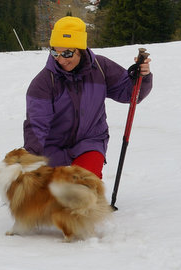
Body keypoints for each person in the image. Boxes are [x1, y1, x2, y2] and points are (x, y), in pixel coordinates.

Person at [23, 16, 152, 179]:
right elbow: (36, 126)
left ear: (81, 49)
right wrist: (32, 162)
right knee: (52, 196)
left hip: (89, 142)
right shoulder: (43, 83)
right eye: (55, 52)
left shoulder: (101, 68)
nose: (61, 59)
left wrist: (142, 77)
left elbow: (130, 93)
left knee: (81, 191)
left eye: (68, 53)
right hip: (53, 148)